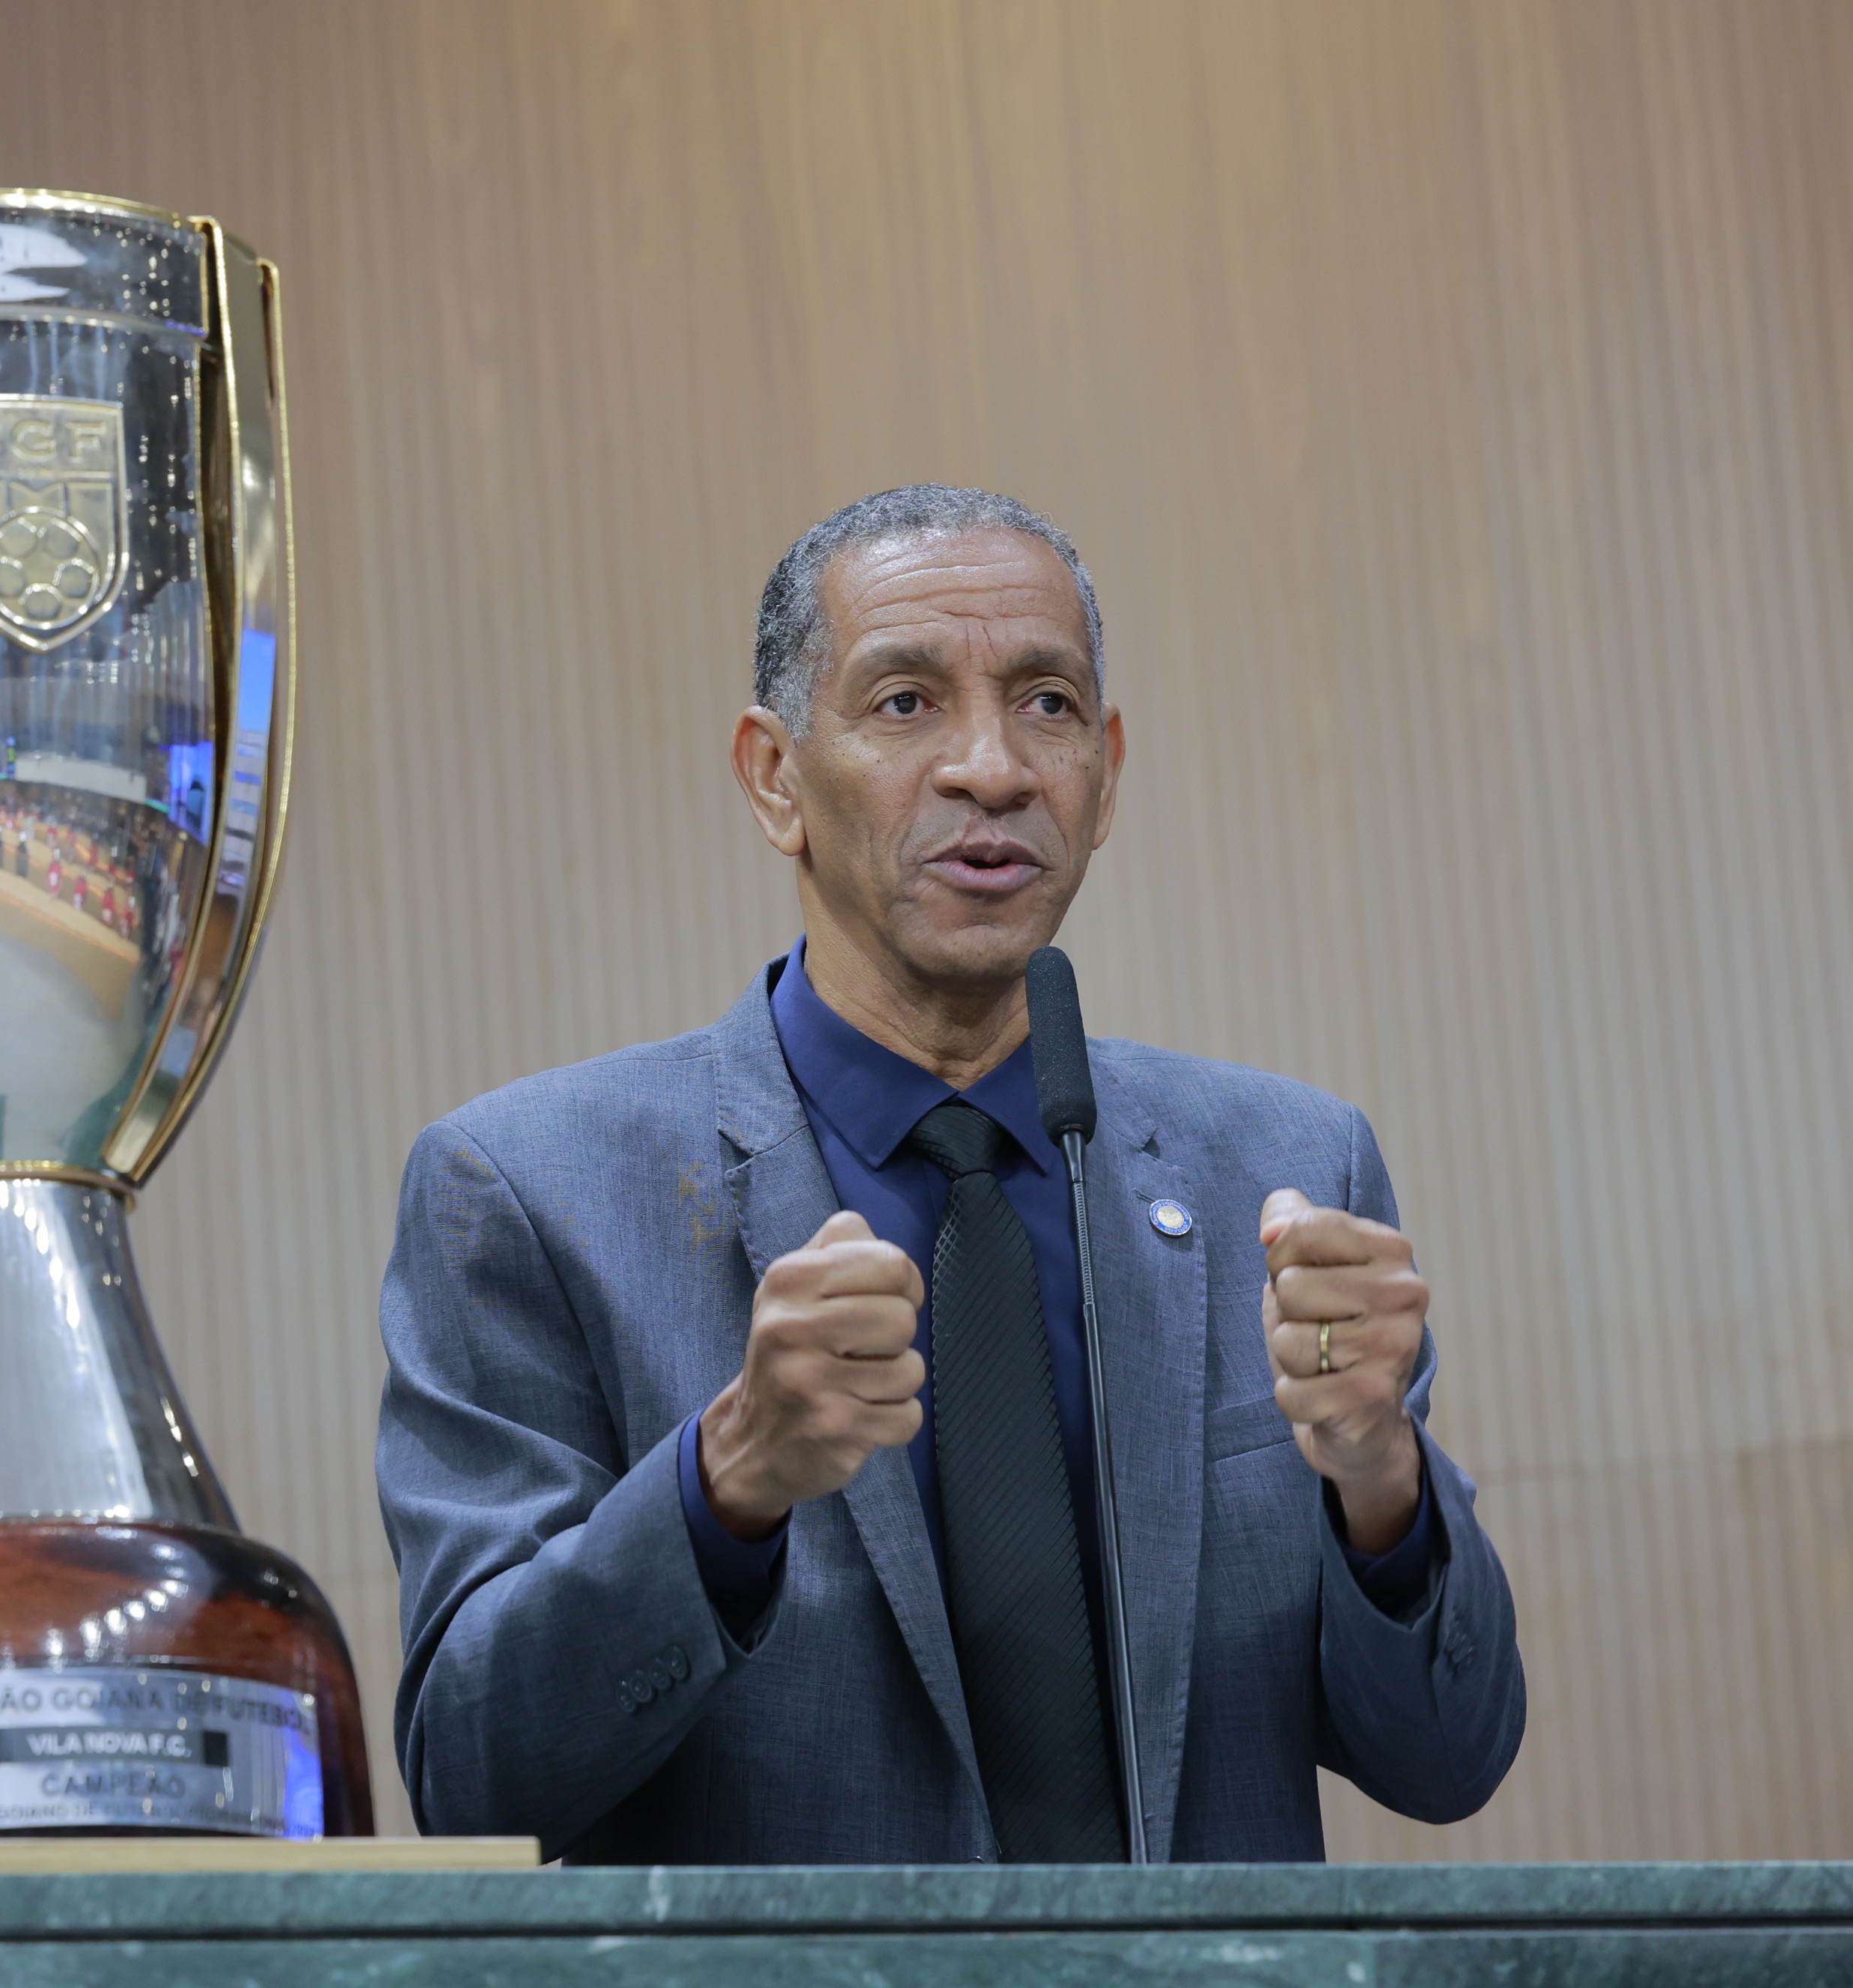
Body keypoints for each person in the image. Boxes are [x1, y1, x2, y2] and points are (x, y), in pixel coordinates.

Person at [376, 486, 1522, 1865]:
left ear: (1105, 773)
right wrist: (727, 1482)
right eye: (907, 702)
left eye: (1047, 704)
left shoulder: (1283, 1173)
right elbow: (476, 1777)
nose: (993, 768)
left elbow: (1449, 1760)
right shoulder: (530, 1191)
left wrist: (1381, 1476)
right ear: (775, 777)